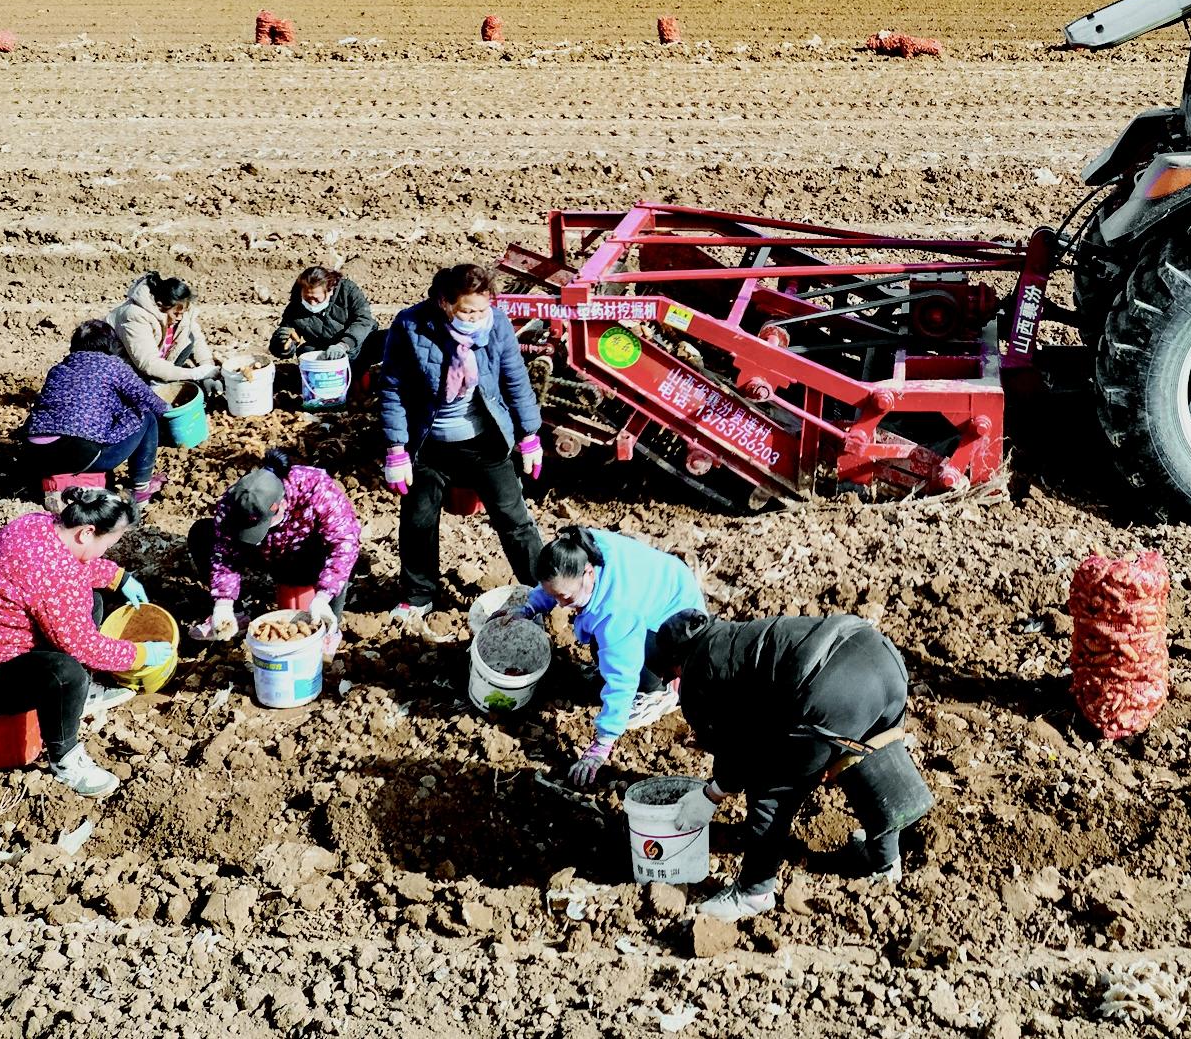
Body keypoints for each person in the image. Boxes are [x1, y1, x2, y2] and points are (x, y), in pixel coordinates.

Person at [644, 608, 930, 921]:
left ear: (674, 663)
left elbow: (739, 752)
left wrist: (712, 794)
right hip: (883, 659)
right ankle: (884, 862)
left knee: (770, 788)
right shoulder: (735, 633)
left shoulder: (698, 674)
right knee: (870, 757)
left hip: (834, 690)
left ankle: (754, 892)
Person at [0, 488, 173, 798]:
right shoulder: (54, 577)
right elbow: (85, 646)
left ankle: (75, 699)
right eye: (109, 543)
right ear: (87, 531)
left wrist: (119, 577)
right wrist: (141, 654)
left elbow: (77, 566)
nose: (106, 551)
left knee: (93, 601)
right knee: (66, 673)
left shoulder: (37, 525)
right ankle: (65, 759)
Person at [377, 263, 546, 621]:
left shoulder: (496, 325)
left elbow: (516, 381)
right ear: (444, 303)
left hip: (484, 439)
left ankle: (542, 590)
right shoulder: (410, 326)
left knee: (513, 517)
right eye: (467, 310)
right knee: (418, 520)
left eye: (482, 308)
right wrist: (396, 449)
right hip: (428, 443)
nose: (476, 317)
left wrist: (529, 435)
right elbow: (392, 390)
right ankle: (419, 594)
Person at [496, 525, 704, 786]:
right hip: (659, 591)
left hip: (677, 625)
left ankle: (657, 692)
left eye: (565, 598)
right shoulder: (579, 547)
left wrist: (601, 745)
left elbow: (621, 680)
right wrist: (529, 606)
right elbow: (556, 586)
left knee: (610, 653)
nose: (560, 605)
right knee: (601, 645)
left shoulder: (615, 612)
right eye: (555, 597)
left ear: (589, 574)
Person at [186, 448, 361, 646]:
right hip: (266, 554)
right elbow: (224, 553)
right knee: (202, 533)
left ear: (281, 506)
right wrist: (223, 602)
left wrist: (324, 596)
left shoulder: (315, 487)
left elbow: (344, 542)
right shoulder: (235, 501)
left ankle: (329, 628)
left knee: (341, 554)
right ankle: (236, 615)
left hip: (305, 556)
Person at [21, 320, 169, 506]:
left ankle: (57, 485)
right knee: (146, 415)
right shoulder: (113, 365)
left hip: (36, 453)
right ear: (111, 345)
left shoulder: (58, 369)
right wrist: (170, 411)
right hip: (79, 452)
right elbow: (147, 398)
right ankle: (140, 489)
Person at [108, 271, 217, 404]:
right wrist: (194, 374)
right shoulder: (135, 315)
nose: (180, 317)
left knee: (189, 339)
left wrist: (207, 373)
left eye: (182, 313)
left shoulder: (179, 309)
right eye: (176, 314)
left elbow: (197, 339)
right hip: (125, 364)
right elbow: (148, 363)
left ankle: (162, 380)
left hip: (155, 361)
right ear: (161, 306)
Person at [269, 266, 378, 366]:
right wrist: (281, 343)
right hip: (325, 350)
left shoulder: (347, 291)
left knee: (386, 340)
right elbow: (288, 345)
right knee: (306, 351)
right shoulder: (295, 308)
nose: (312, 303)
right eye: (307, 298)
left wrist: (343, 345)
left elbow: (363, 320)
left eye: (317, 299)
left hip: (359, 343)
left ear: (330, 291)